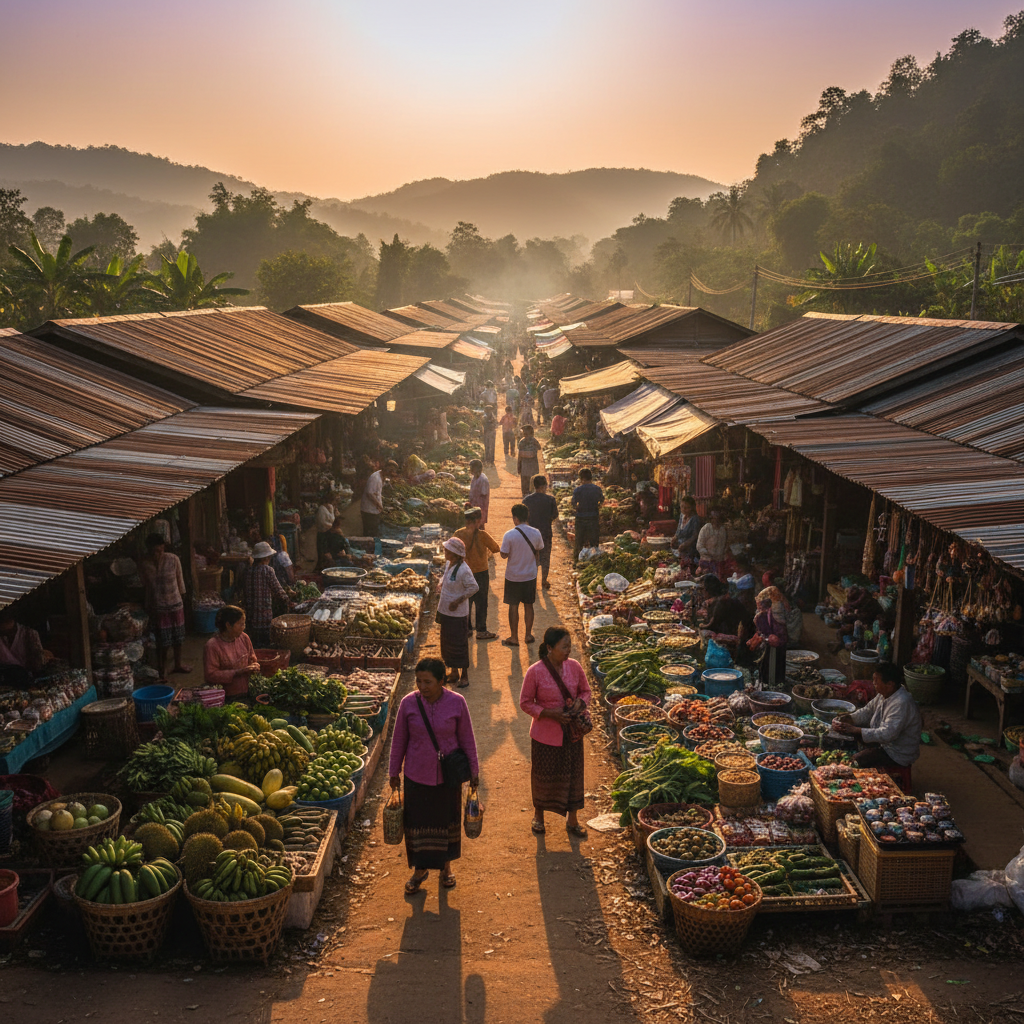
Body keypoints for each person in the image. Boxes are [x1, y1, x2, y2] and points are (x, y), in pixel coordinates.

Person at [389, 658, 479, 893]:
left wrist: (474, 771)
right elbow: (399, 740)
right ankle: (419, 870)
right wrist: (393, 771)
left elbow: (467, 738)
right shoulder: (409, 704)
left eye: (428, 682)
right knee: (417, 825)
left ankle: (446, 868)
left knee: (446, 823)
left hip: (447, 777)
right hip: (415, 776)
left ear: (442, 681)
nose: (422, 686)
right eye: (419, 681)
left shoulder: (457, 703)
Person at [519, 626, 591, 838]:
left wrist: (580, 703)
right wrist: (549, 713)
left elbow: (586, 691)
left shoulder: (575, 667)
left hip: (572, 734)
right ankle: (539, 817)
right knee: (544, 777)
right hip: (545, 737)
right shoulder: (535, 672)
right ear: (550, 648)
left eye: (569, 646)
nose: (568, 650)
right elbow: (525, 703)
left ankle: (573, 820)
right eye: (564, 647)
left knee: (574, 775)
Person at [834, 663, 922, 769]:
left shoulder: (901, 703)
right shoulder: (884, 694)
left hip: (897, 753)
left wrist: (856, 730)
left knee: (855, 760)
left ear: (890, 684)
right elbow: (867, 711)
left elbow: (887, 734)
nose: (873, 684)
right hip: (885, 744)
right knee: (847, 738)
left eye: (876, 681)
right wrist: (850, 718)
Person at [140, 533, 190, 680]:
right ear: (149, 550)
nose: (157, 554)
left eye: (160, 550)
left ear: (163, 547)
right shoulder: (145, 564)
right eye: (154, 551)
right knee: (163, 640)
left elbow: (181, 583)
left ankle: (178, 664)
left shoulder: (173, 559)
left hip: (175, 603)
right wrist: (148, 605)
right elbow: (146, 587)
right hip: (158, 607)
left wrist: (183, 600)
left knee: (178, 637)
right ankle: (163, 669)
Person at [436, 537, 479, 688]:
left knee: (459, 644)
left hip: (458, 614)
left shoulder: (464, 570)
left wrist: (458, 601)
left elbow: (473, 587)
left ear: (454, 553)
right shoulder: (449, 563)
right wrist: (441, 583)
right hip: (445, 610)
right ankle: (454, 672)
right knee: (447, 643)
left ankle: (464, 676)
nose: (444, 552)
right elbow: (446, 576)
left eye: (447, 550)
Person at [500, 503, 543, 647]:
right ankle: (528, 634)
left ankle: (514, 637)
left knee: (513, 606)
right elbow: (538, 551)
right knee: (529, 605)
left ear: (515, 518)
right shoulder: (536, 532)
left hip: (513, 576)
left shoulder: (509, 535)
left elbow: (504, 555)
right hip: (530, 575)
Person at [455, 508, 500, 641]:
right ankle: (481, 630)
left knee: (466, 601)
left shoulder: (458, 534)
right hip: (481, 573)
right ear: (477, 521)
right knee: (481, 602)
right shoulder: (483, 535)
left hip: (464, 573)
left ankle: (467, 629)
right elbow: (496, 548)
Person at [203, 605, 260, 697]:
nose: (244, 627)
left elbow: (252, 657)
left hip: (246, 690)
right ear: (228, 625)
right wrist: (237, 672)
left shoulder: (244, 638)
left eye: (244, 624)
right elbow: (210, 675)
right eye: (241, 624)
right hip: (225, 695)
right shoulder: (212, 646)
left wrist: (254, 666)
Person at [242, 540, 289, 646]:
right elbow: (278, 590)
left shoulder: (247, 571)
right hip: (264, 617)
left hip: (250, 617)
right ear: (266, 558)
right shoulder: (268, 570)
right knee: (265, 642)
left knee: (254, 643)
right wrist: (288, 600)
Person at [523, 474, 559, 590]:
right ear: (544, 486)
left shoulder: (527, 500)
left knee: (532, 557)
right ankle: (544, 580)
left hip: (531, 534)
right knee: (545, 557)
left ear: (534, 486)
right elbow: (555, 515)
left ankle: (531, 581)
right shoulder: (550, 500)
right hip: (546, 532)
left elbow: (524, 517)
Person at [0, 610, 50, 686]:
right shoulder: (2, 636)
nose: (5, 634)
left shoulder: (30, 634)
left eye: (8, 632)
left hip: (27, 680)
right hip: (5, 680)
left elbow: (38, 664)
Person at [752, 585, 788, 688]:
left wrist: (770, 638)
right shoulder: (764, 614)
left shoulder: (774, 614)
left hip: (775, 646)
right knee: (766, 666)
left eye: (759, 606)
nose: (758, 609)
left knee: (773, 667)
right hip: (769, 643)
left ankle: (773, 685)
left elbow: (779, 634)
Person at [571, 468, 604, 560]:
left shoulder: (578, 490)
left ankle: (576, 561)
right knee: (594, 541)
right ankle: (594, 560)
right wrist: (596, 507)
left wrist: (577, 508)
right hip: (593, 517)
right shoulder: (597, 489)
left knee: (579, 541)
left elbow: (573, 503)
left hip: (581, 518)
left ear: (582, 479)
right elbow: (601, 500)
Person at [360, 460, 398, 536]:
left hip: (374, 509)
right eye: (390, 470)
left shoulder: (382, 476)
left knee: (373, 531)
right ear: (386, 468)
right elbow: (370, 493)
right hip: (369, 510)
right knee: (370, 532)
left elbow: (377, 491)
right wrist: (379, 505)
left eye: (392, 471)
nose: (391, 473)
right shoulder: (375, 478)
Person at [696, 508, 729, 575]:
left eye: (717, 517)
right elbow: (699, 546)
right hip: (707, 560)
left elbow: (724, 546)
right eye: (713, 518)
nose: (716, 520)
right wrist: (709, 555)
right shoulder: (706, 528)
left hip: (719, 561)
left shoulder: (723, 530)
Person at [672, 496, 703, 563]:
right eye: (682, 507)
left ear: (692, 508)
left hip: (690, 549)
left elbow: (694, 536)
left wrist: (685, 544)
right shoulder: (682, 515)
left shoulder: (695, 519)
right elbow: (678, 530)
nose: (683, 509)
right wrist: (675, 537)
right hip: (680, 546)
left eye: (686, 508)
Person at [517, 424, 542, 497]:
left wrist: (519, 466)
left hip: (525, 465)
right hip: (532, 465)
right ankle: (531, 496)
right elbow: (539, 448)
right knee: (532, 482)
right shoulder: (533, 440)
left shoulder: (522, 441)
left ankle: (526, 495)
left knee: (525, 482)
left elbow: (519, 456)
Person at [315, 491, 339, 564]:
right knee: (323, 554)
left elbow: (333, 519)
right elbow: (322, 523)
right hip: (323, 534)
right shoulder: (321, 509)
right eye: (335, 500)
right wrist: (332, 526)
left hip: (329, 533)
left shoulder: (331, 507)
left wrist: (334, 511)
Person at [468, 459, 490, 527]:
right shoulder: (475, 477)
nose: (470, 469)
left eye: (472, 468)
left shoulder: (483, 480)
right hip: (474, 507)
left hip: (480, 508)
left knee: (479, 527)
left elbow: (484, 494)